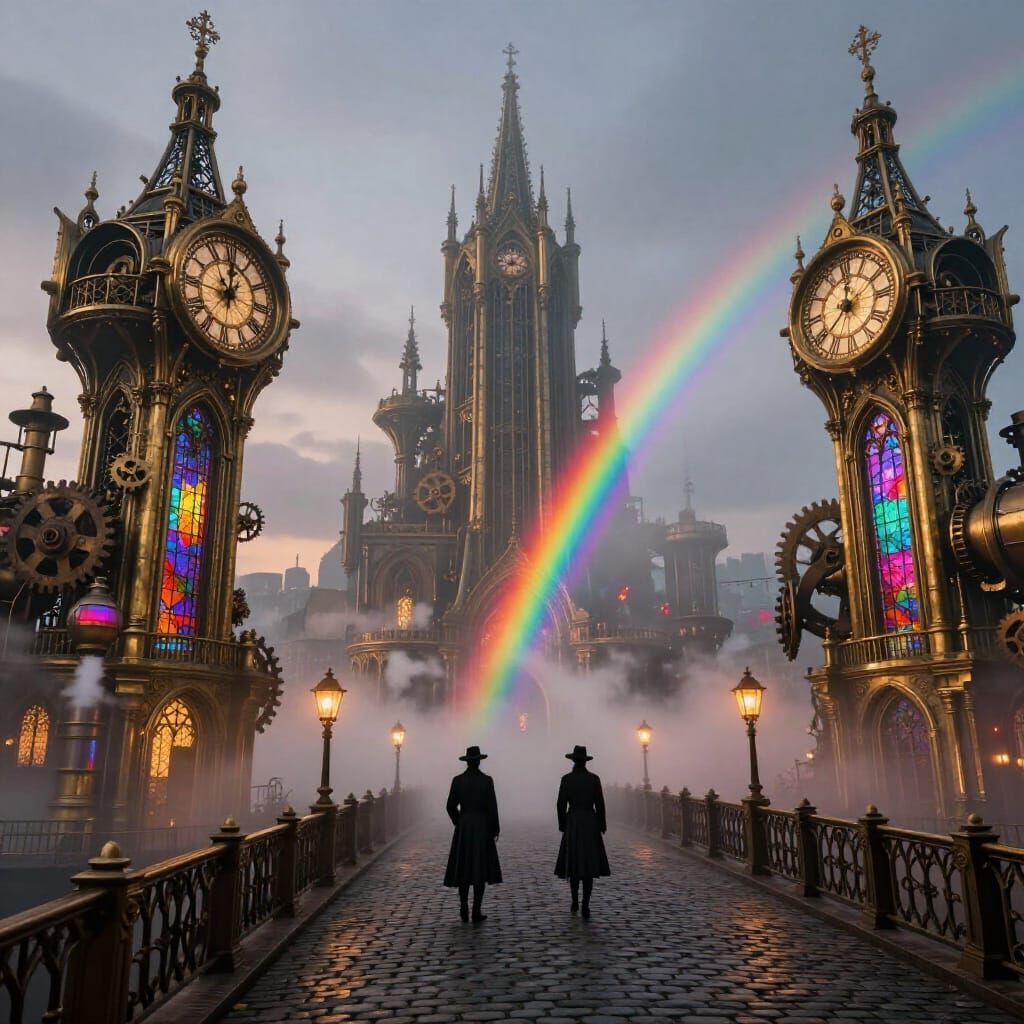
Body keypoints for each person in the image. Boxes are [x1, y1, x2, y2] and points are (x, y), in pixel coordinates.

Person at [444, 745, 502, 922]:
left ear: (467, 762)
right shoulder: (486, 781)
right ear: (478, 762)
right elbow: (492, 808)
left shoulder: (457, 781)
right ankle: (476, 910)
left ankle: (463, 905)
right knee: (480, 869)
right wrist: (495, 828)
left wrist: (458, 821)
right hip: (482, 826)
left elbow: (450, 806)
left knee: (463, 868)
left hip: (464, 826)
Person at [555, 745, 610, 918]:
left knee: (574, 864)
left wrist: (563, 823)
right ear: (585, 761)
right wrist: (601, 824)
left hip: (573, 821)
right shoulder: (594, 779)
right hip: (589, 822)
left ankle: (574, 901)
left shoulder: (567, 779)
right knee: (588, 865)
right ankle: (586, 904)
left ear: (573, 761)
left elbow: (560, 804)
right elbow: (600, 804)